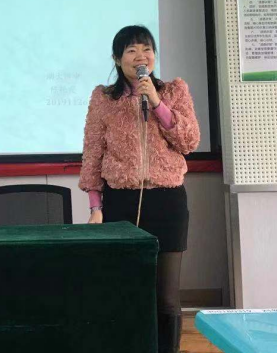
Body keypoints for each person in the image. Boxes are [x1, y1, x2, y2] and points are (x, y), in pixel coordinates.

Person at [79, 25, 200, 353]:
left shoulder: (173, 91)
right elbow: (93, 152)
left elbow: (189, 141)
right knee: (124, 290)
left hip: (167, 202)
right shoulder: (104, 98)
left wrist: (158, 103)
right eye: (131, 50)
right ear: (117, 59)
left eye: (147, 49)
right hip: (121, 202)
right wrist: (95, 206)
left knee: (166, 297)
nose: (140, 56)